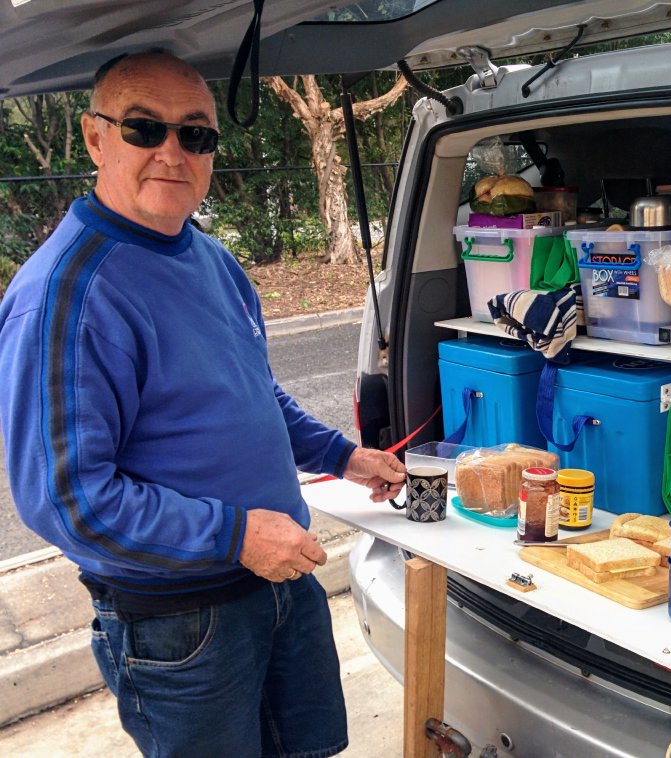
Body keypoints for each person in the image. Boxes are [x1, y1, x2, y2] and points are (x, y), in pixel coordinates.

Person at [0, 51, 406, 757]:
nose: (171, 151)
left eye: (195, 134)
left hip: (280, 586)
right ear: (95, 138)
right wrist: (236, 536)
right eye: (143, 128)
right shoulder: (68, 298)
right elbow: (67, 501)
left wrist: (343, 455)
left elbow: (252, 393)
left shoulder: (209, 256)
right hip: (180, 627)